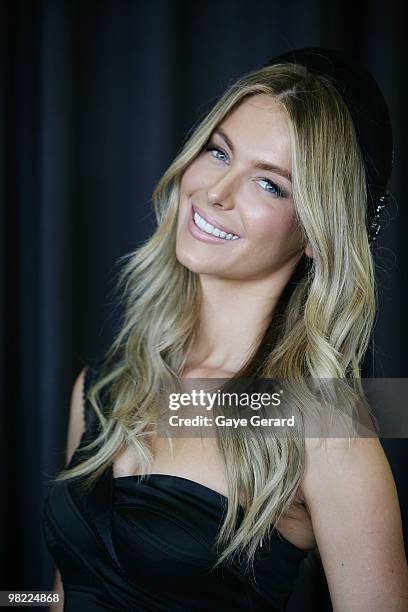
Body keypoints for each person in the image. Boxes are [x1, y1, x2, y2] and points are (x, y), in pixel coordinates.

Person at [43, 48, 408, 611]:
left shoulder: (324, 428)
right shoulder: (104, 386)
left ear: (316, 234)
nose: (216, 192)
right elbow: (59, 596)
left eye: (270, 185)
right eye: (219, 152)